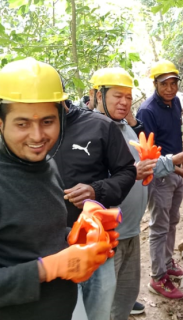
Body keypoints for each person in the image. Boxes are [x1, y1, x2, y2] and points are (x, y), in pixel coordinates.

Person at [0, 57, 112, 320]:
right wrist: (48, 268)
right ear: (1, 122)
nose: (38, 136)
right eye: (22, 123)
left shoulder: (44, 162)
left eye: (48, 121)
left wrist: (77, 236)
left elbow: (32, 234)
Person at [93, 67, 183, 317]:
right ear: (97, 95)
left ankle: (128, 301)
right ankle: (154, 279)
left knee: (125, 289)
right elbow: (100, 182)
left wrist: (174, 164)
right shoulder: (93, 131)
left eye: (128, 97)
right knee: (102, 297)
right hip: (108, 232)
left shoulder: (124, 126)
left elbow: (144, 158)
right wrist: (138, 172)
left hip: (129, 225)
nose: (124, 103)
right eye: (117, 96)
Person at [53, 78, 137, 320]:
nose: (36, 130)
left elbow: (127, 171)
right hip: (49, 249)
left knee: (98, 312)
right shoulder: (18, 138)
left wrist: (96, 190)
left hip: (94, 240)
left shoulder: (99, 126)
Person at [136, 59, 183, 300]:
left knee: (172, 220)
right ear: (155, 84)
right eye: (165, 84)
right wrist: (174, 169)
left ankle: (167, 260)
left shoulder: (175, 103)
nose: (170, 88)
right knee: (159, 226)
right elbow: (148, 153)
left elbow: (176, 139)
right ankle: (157, 276)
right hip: (160, 176)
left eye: (174, 83)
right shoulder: (147, 111)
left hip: (176, 172)